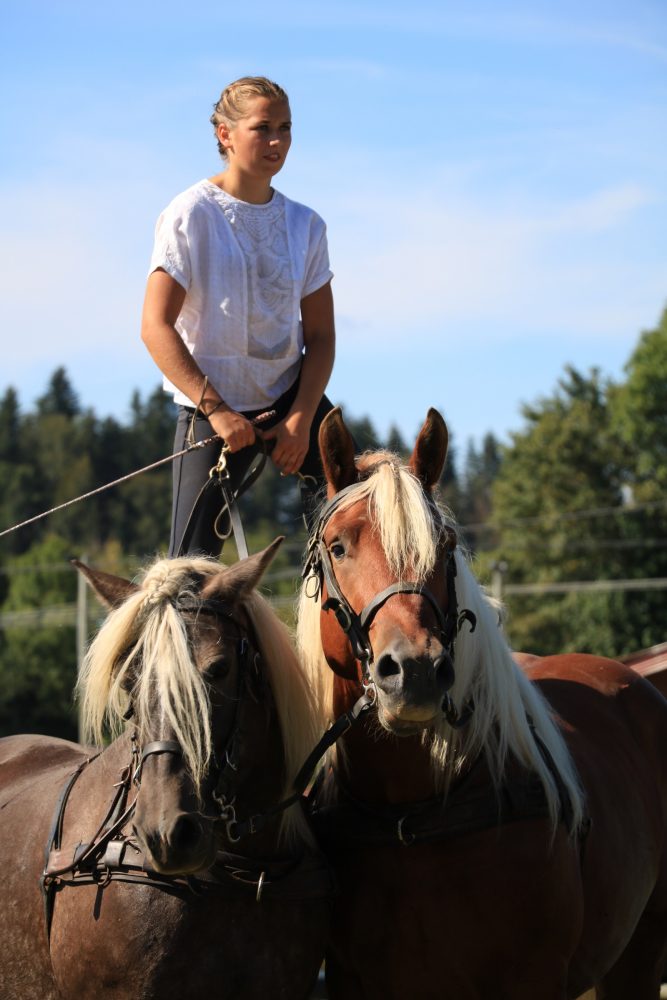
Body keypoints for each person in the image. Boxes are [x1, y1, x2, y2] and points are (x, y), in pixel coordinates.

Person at [141, 76, 336, 557]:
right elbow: (154, 327)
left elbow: (322, 336)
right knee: (190, 570)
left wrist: (300, 419)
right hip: (211, 407)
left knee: (362, 516)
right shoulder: (189, 214)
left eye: (285, 128)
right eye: (262, 127)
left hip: (294, 401)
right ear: (225, 134)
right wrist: (218, 411)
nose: (276, 141)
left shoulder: (306, 225)